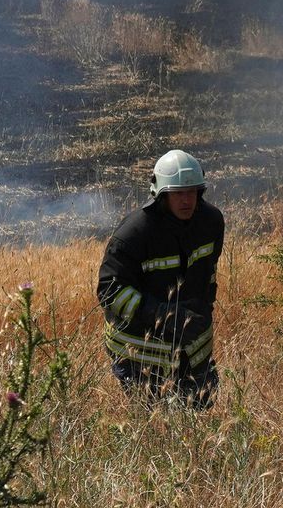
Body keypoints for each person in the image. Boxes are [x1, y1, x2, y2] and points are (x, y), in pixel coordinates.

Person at [96, 149, 224, 409]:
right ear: (161, 194)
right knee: (156, 423)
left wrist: (200, 311)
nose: (186, 200)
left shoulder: (211, 222)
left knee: (198, 417)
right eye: (178, 193)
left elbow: (208, 272)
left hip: (192, 347)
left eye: (192, 192)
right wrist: (161, 315)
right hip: (141, 353)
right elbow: (109, 291)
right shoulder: (134, 234)